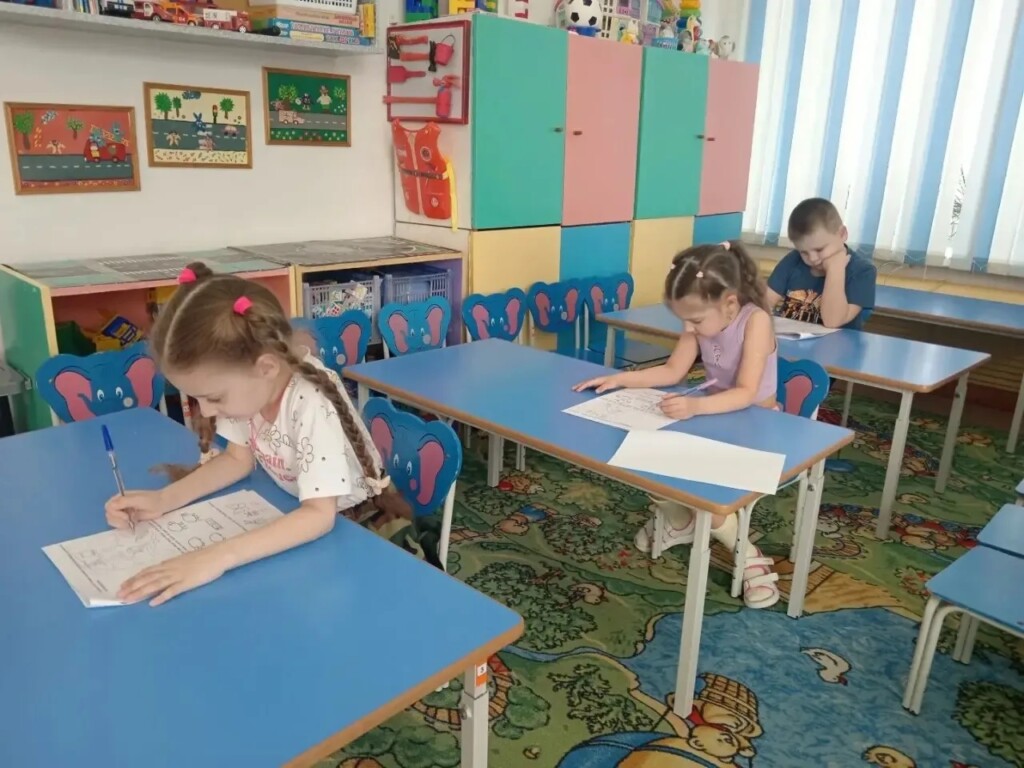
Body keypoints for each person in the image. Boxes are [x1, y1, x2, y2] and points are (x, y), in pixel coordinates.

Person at [105, 263, 410, 606]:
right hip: (295, 508)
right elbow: (237, 460)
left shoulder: (310, 401)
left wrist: (215, 557)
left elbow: (319, 515)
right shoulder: (254, 388)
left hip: (359, 525)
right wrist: (163, 500)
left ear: (266, 367)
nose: (206, 412)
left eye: (214, 397)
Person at [573, 241, 780, 609]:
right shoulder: (700, 316)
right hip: (713, 417)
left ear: (730, 303)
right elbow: (672, 371)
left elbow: (747, 392)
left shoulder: (756, 321)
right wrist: (619, 379)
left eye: (695, 321)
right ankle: (681, 520)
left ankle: (748, 557)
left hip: (757, 423)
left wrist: (695, 406)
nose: (688, 328)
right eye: (684, 320)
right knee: (645, 459)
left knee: (706, 491)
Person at [765, 198, 877, 329]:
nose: (812, 258)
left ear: (842, 234)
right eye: (804, 252)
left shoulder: (863, 271)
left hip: (837, 342)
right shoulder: (794, 259)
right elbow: (764, 302)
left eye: (819, 249)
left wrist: (835, 269)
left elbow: (833, 321)